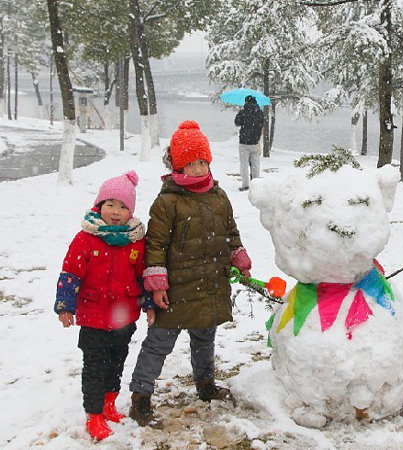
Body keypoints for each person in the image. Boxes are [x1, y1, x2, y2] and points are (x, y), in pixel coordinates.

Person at [129, 120, 252, 426]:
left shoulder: (218, 196)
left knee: (204, 338)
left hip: (209, 284)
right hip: (177, 289)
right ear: (178, 166)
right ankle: (140, 396)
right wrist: (158, 284)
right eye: (191, 164)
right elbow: (155, 245)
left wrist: (238, 255)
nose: (198, 169)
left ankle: (205, 384)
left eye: (202, 162)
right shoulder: (167, 202)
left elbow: (230, 232)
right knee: (158, 343)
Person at [54, 170, 154, 440]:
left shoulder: (135, 242)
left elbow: (143, 276)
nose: (116, 212)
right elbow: (70, 274)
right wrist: (65, 306)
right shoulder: (85, 239)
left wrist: (149, 306)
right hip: (93, 318)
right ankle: (94, 414)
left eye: (123, 207)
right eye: (110, 204)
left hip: (124, 319)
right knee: (95, 368)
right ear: (99, 206)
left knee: (116, 364)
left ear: (130, 212)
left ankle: (110, 403)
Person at [234, 95, 264, 191]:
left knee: (244, 165)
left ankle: (245, 184)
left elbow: (237, 122)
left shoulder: (243, 112)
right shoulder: (260, 113)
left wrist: (240, 114)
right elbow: (261, 125)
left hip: (244, 142)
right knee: (255, 165)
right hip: (255, 142)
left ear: (246, 102)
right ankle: (256, 184)